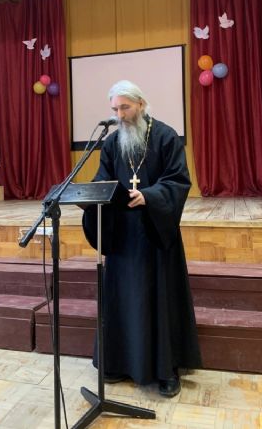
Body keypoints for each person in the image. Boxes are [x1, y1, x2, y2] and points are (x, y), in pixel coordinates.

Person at [82, 79, 201, 398]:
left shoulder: (165, 136)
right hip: (122, 235)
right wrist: (91, 196)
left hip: (155, 231)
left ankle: (166, 370)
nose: (120, 115)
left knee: (158, 299)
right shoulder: (111, 143)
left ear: (141, 105)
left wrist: (149, 195)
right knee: (124, 299)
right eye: (115, 109)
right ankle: (119, 362)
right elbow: (103, 179)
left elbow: (178, 180)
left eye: (125, 107)